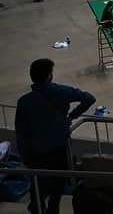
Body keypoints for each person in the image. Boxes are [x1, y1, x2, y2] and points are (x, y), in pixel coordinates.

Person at [16, 59, 96, 214]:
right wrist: (72, 116)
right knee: (58, 183)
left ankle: (37, 206)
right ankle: (52, 208)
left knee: (38, 181)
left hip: (35, 152)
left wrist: (24, 155)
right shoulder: (61, 91)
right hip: (59, 148)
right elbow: (89, 98)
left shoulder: (24, 102)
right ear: (49, 76)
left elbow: (21, 133)